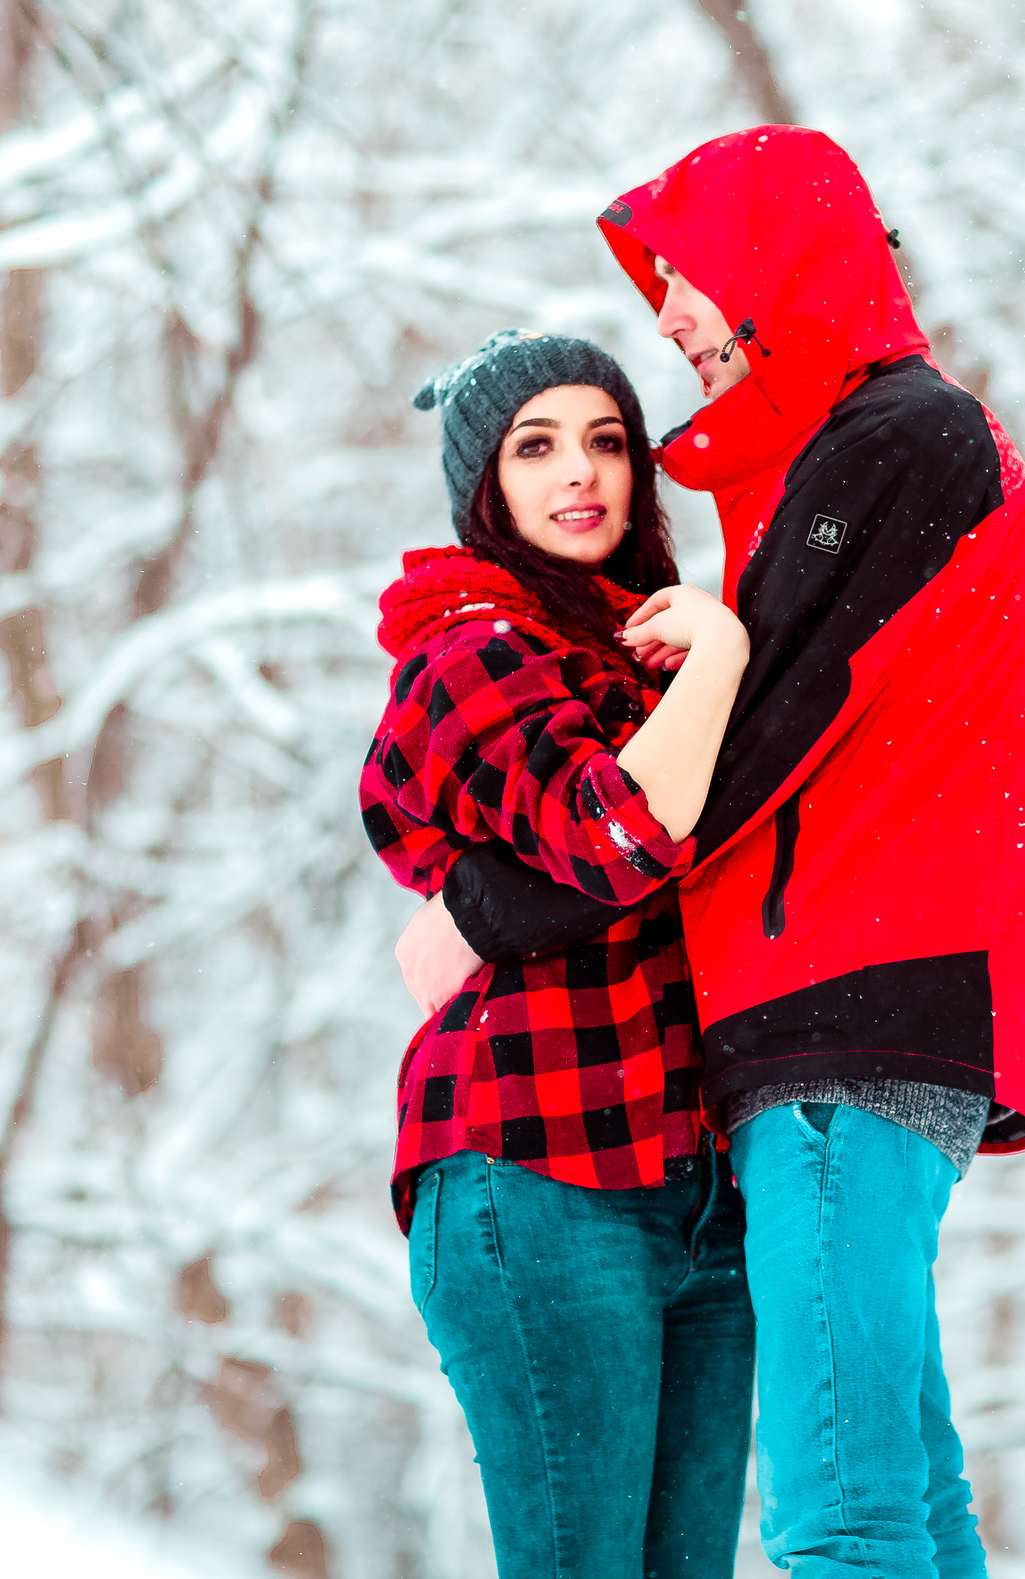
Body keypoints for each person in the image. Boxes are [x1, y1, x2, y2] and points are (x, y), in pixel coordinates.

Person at [401, 131, 1025, 1579]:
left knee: (842, 1513)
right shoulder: (489, 646)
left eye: (686, 289)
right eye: (535, 444)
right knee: (905, 1495)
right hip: (708, 1087)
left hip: (843, 1017)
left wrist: (482, 912)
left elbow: (749, 740)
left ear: (774, 263)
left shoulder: (895, 439)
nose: (675, 326)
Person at [358, 330, 758, 1579]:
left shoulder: (638, 657)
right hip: (535, 1167)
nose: (579, 473)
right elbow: (624, 831)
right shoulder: (472, 649)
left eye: (605, 441)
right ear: (485, 485)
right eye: (536, 447)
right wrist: (731, 656)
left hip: (696, 1186)